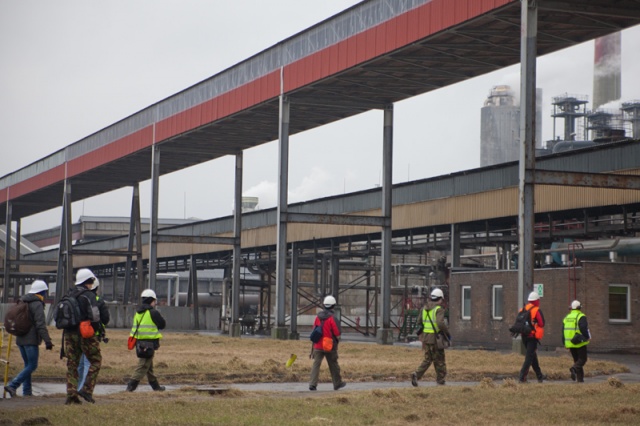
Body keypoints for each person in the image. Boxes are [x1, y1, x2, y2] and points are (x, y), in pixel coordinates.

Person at [62, 268, 108, 405]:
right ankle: (87, 390)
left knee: (72, 364)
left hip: (69, 333)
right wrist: (96, 329)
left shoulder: (70, 294)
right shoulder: (88, 295)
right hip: (85, 332)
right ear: (89, 281)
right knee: (96, 360)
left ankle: (71, 394)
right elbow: (95, 316)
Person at [4, 280, 54, 398]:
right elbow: (40, 324)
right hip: (30, 341)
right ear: (42, 292)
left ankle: (27, 392)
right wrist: (47, 340)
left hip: (20, 339)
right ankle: (13, 385)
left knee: (28, 365)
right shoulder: (37, 304)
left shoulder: (23, 301)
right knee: (32, 365)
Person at [126, 289, 167, 392]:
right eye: (154, 300)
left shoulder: (138, 313)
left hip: (139, 343)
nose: (155, 303)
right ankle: (130, 387)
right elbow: (162, 324)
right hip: (149, 343)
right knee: (143, 366)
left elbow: (135, 328)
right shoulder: (153, 312)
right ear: (151, 300)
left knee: (149, 366)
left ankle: (156, 387)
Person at [411, 288, 450, 387]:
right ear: (440, 299)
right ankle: (441, 380)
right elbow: (440, 323)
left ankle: (417, 374)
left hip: (426, 338)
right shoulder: (439, 309)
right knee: (440, 359)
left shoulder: (424, 308)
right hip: (436, 339)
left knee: (428, 359)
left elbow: (419, 322)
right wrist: (447, 332)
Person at [77, 278, 109, 392]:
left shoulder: (78, 297)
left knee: (79, 363)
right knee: (88, 362)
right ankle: (83, 389)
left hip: (77, 334)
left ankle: (76, 388)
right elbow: (105, 318)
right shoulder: (97, 300)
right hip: (91, 335)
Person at [308, 295, 346, 391]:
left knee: (316, 364)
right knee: (333, 364)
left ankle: (312, 384)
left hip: (317, 345)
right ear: (333, 306)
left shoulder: (318, 317)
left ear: (324, 305)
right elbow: (337, 333)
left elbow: (314, 329)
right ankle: (337, 383)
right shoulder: (332, 318)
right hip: (329, 346)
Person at [518, 291, 547, 383]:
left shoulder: (523, 309)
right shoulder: (536, 310)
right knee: (529, 357)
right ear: (537, 300)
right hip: (532, 337)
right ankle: (522, 378)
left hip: (524, 336)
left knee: (532, 356)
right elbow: (542, 323)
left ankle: (539, 376)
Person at [563, 300, 590, 383]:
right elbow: (583, 328)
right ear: (579, 308)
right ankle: (573, 369)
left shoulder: (567, 317)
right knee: (582, 359)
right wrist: (587, 336)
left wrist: (564, 343)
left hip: (570, 342)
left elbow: (562, 331)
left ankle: (580, 379)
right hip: (579, 342)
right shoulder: (581, 316)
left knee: (577, 360)